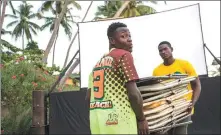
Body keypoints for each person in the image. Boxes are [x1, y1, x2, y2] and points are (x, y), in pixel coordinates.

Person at [86, 22, 149, 134]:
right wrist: (142, 119)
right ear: (112, 41)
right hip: (120, 123)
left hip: (98, 123)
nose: (129, 39)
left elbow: (88, 98)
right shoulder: (123, 55)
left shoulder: (96, 65)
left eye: (129, 36)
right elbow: (134, 94)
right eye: (123, 36)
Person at [152, 41, 201, 134]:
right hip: (166, 110)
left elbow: (197, 84)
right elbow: (157, 92)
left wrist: (192, 103)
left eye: (165, 49)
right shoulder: (156, 71)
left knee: (180, 132)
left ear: (171, 49)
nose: (163, 52)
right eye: (160, 50)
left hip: (184, 107)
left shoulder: (184, 64)